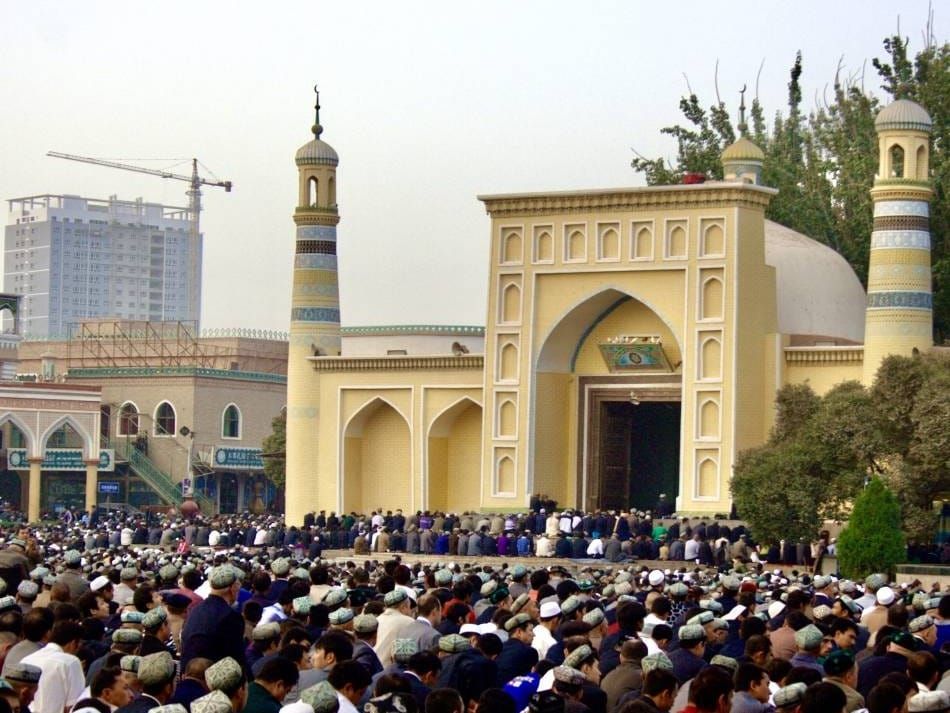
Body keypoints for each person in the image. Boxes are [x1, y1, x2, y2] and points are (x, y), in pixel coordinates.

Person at [180, 566, 246, 670]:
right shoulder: (230, 617)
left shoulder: (196, 609)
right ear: (232, 588)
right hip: (212, 677)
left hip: (189, 671)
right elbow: (236, 658)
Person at [21, 620, 86, 713]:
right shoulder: (71, 661)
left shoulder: (27, 659)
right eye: (80, 644)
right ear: (73, 643)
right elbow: (74, 705)